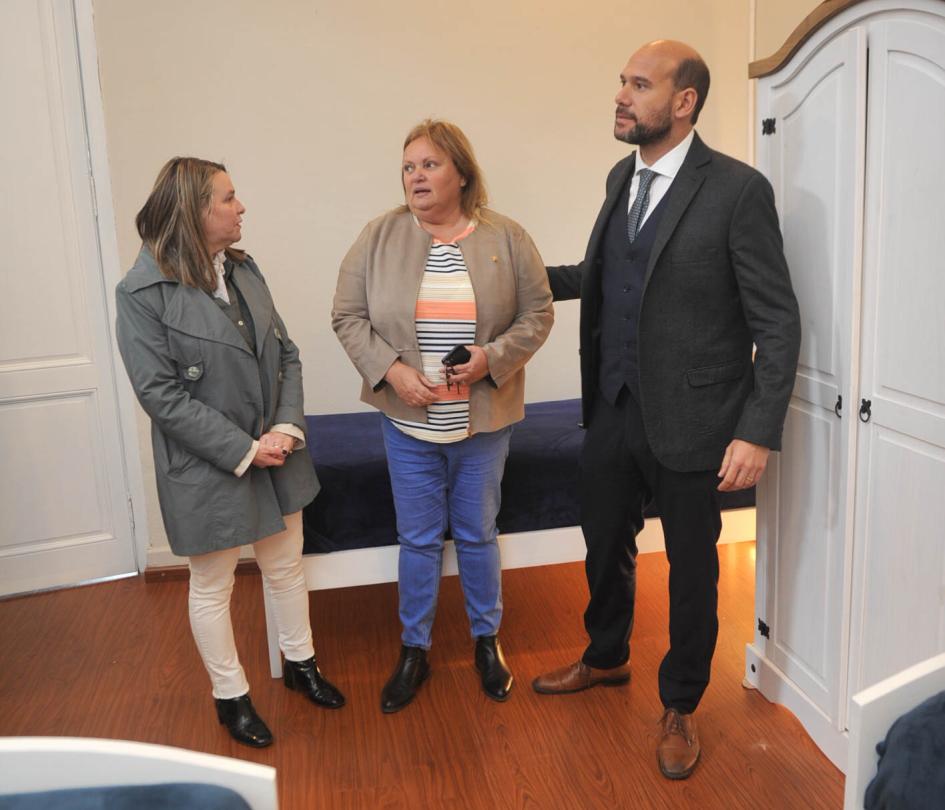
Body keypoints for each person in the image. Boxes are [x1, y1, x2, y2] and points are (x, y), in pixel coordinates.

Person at [531, 40, 801, 779]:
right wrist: (520, 276)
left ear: (683, 102)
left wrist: (756, 428)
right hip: (613, 404)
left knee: (690, 570)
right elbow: (609, 273)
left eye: (639, 85)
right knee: (602, 541)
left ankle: (680, 702)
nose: (620, 96)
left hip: (695, 418)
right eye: (621, 81)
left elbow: (776, 320)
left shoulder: (737, 191)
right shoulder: (623, 175)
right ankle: (605, 655)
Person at [115, 157, 344, 748]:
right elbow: (159, 395)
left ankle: (301, 665)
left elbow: (286, 352)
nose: (241, 208)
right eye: (229, 198)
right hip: (210, 460)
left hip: (277, 447)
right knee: (213, 584)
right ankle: (231, 698)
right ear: (195, 211)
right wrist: (245, 448)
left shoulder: (243, 269)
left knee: (285, 565)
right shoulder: (141, 293)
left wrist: (288, 429)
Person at [332, 120, 553, 712]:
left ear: (460, 172)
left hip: (482, 423)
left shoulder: (507, 237)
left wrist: (490, 359)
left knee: (479, 534)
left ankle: (486, 642)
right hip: (408, 423)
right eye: (408, 167)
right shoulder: (379, 236)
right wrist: (393, 372)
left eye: (429, 165)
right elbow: (347, 317)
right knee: (419, 538)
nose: (416, 177)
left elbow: (538, 314)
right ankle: (415, 650)